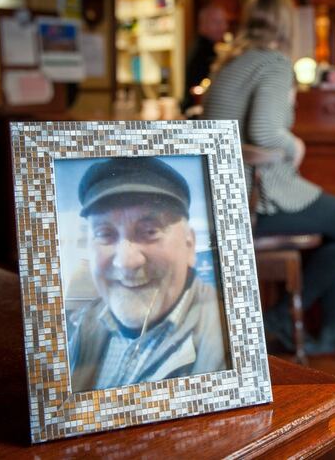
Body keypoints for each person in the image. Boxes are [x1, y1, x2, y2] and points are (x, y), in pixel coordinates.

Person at [201, 0, 335, 356]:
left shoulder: (231, 63)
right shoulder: (274, 63)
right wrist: (297, 146)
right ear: (286, 25)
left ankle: (334, 328)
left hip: (225, 195)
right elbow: (265, 132)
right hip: (258, 202)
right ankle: (280, 316)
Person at [66, 156, 228, 391]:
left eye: (150, 231)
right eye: (104, 234)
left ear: (190, 245)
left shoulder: (227, 339)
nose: (126, 261)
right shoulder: (80, 324)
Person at [182, 4, 228, 114]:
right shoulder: (203, 50)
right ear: (203, 25)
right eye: (217, 23)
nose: (223, 27)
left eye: (224, 22)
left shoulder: (211, 48)